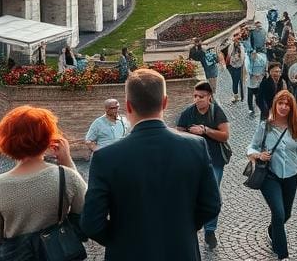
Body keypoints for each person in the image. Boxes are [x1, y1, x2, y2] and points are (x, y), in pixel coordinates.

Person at [81, 68, 222, 260]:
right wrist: (183, 230)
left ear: (128, 106)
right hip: (181, 250)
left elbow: (91, 223)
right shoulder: (196, 146)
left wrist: (123, 241)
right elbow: (211, 205)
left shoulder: (105, 158)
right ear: (165, 102)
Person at [0, 106, 85, 261]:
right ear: (49, 138)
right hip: (58, 253)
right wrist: (67, 161)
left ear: (6, 139)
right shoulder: (67, 175)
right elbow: (87, 209)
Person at [248, 90, 297, 260]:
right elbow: (251, 148)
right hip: (269, 176)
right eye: (280, 103)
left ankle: (272, 230)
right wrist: (259, 155)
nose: (283, 107)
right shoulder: (265, 126)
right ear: (275, 104)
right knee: (278, 212)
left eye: (287, 104)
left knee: (286, 214)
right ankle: (283, 255)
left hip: (290, 175)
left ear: (292, 108)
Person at [176, 81, 230, 250]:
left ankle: (210, 230)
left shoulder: (217, 112)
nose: (197, 99)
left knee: (212, 195)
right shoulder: (188, 112)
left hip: (214, 161)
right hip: (192, 162)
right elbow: (178, 132)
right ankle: (192, 227)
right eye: (195, 96)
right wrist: (189, 134)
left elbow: (225, 135)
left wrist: (205, 130)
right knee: (192, 195)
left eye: (201, 97)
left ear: (209, 97)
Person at [245, 47, 269, 118]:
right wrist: (253, 74)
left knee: (258, 96)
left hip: (258, 82)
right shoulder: (248, 60)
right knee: (250, 96)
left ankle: (259, 109)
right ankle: (251, 110)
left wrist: (262, 74)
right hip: (250, 82)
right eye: (252, 54)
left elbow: (264, 68)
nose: (253, 55)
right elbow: (247, 69)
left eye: (254, 54)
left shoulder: (261, 59)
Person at [226, 36, 246, 103]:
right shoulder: (231, 46)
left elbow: (242, 58)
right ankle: (237, 95)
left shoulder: (241, 48)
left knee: (236, 82)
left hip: (238, 68)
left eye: (238, 40)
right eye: (236, 40)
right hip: (232, 67)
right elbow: (229, 54)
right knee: (234, 81)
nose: (237, 42)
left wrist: (237, 58)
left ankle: (237, 96)